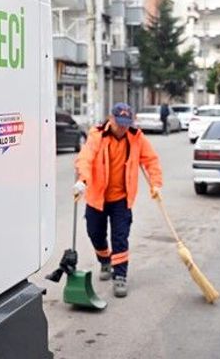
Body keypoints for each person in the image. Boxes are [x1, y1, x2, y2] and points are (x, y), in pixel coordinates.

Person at [73, 103, 164, 297]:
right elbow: (85, 158)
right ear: (111, 119)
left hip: (121, 199)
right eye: (119, 123)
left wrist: (155, 184)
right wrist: (82, 180)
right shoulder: (98, 135)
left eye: (126, 124)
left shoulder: (136, 138)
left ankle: (120, 276)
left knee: (120, 237)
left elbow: (151, 160)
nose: (122, 128)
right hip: (97, 197)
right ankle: (105, 261)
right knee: (95, 233)